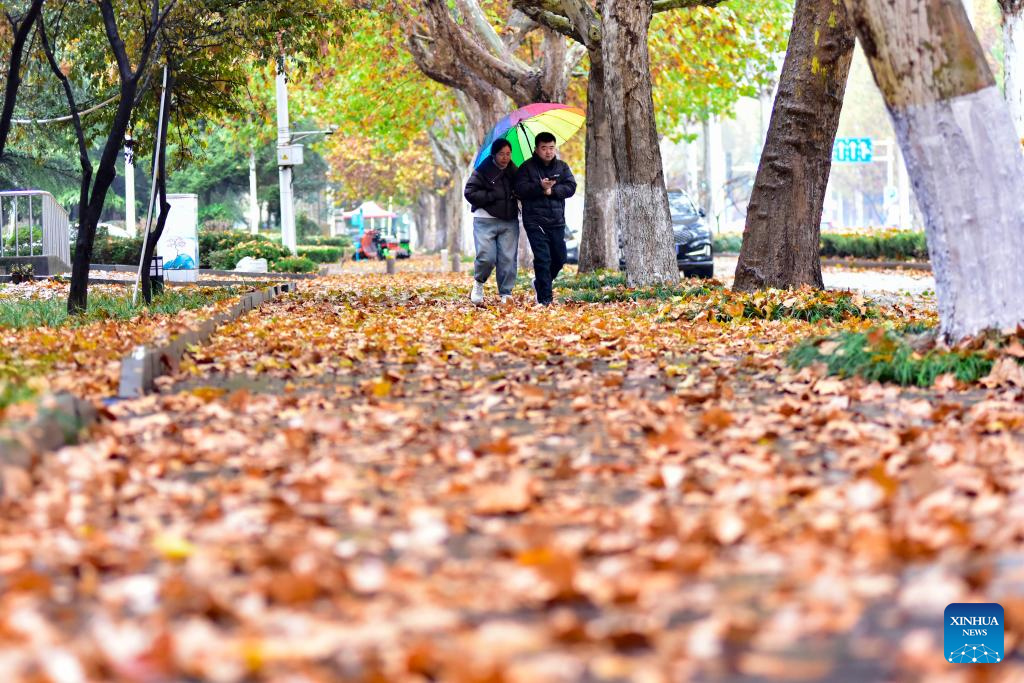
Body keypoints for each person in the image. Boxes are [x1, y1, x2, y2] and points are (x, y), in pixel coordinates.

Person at [514, 132, 577, 306]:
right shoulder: (526, 168)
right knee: (543, 258)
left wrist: (553, 191)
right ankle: (545, 300)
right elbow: (519, 189)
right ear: (536, 149)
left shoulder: (562, 167)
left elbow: (571, 187)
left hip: (557, 220)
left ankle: (539, 283)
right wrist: (539, 187)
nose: (548, 152)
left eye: (551, 147)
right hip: (534, 220)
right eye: (544, 148)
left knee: (560, 258)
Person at [464, 139, 520, 305]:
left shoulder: (514, 171)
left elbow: (523, 188)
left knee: (508, 259)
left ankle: (506, 293)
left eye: (508, 154)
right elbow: (469, 192)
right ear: (494, 154)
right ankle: (479, 283)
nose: (505, 157)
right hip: (485, 219)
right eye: (501, 154)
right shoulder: (482, 171)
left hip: (509, 220)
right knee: (486, 258)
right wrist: (491, 197)